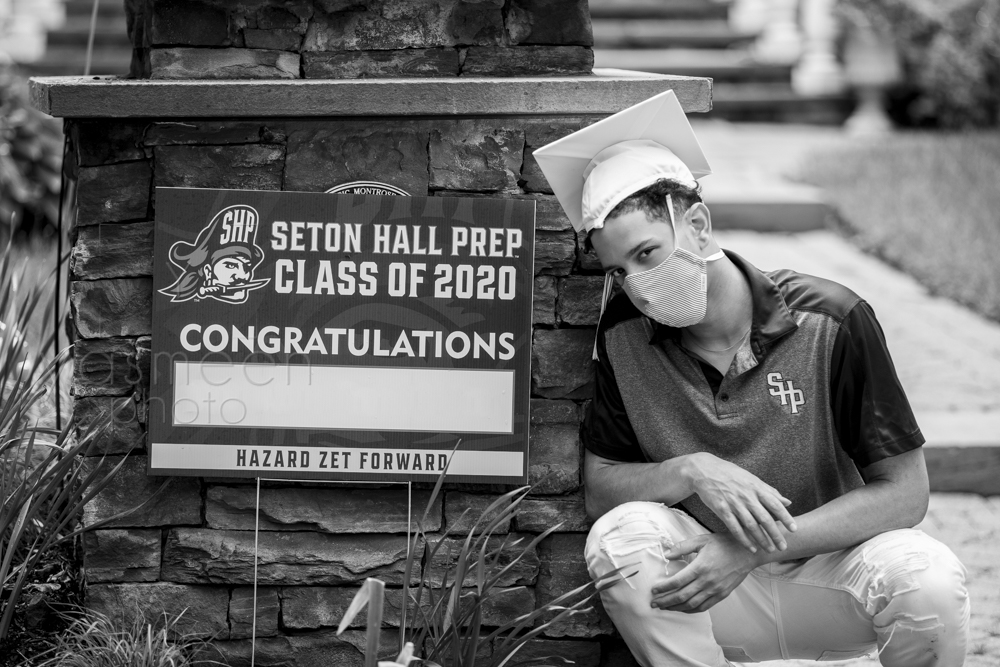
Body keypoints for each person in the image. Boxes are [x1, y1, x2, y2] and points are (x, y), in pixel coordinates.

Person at [533, 91, 970, 667]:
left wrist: (753, 547)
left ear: (697, 225)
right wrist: (692, 470)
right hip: (706, 592)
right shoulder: (622, 336)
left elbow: (906, 493)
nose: (637, 285)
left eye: (647, 253)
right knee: (621, 540)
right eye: (619, 271)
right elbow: (601, 488)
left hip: (833, 577)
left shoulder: (833, 320)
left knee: (929, 579)